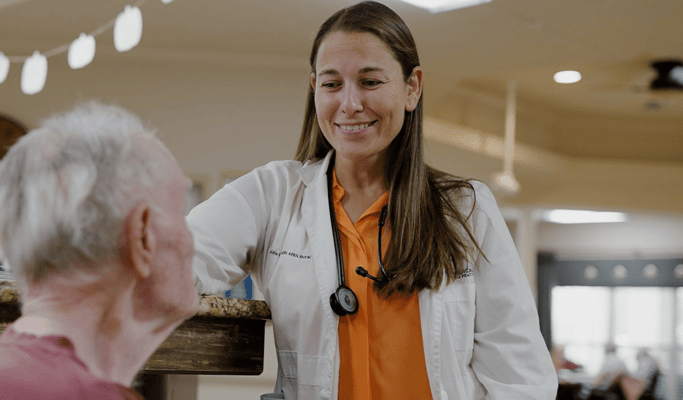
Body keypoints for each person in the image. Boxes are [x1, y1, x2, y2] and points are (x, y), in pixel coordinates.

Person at [187, 1, 556, 399]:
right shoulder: (271, 194)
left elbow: (521, 379)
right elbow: (174, 262)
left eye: (370, 82)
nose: (349, 104)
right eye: (332, 84)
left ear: (412, 88)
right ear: (314, 88)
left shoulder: (466, 210)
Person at [0, 102, 199, 400]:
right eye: (181, 213)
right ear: (142, 235)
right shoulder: (77, 393)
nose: (192, 241)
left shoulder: (12, 373)